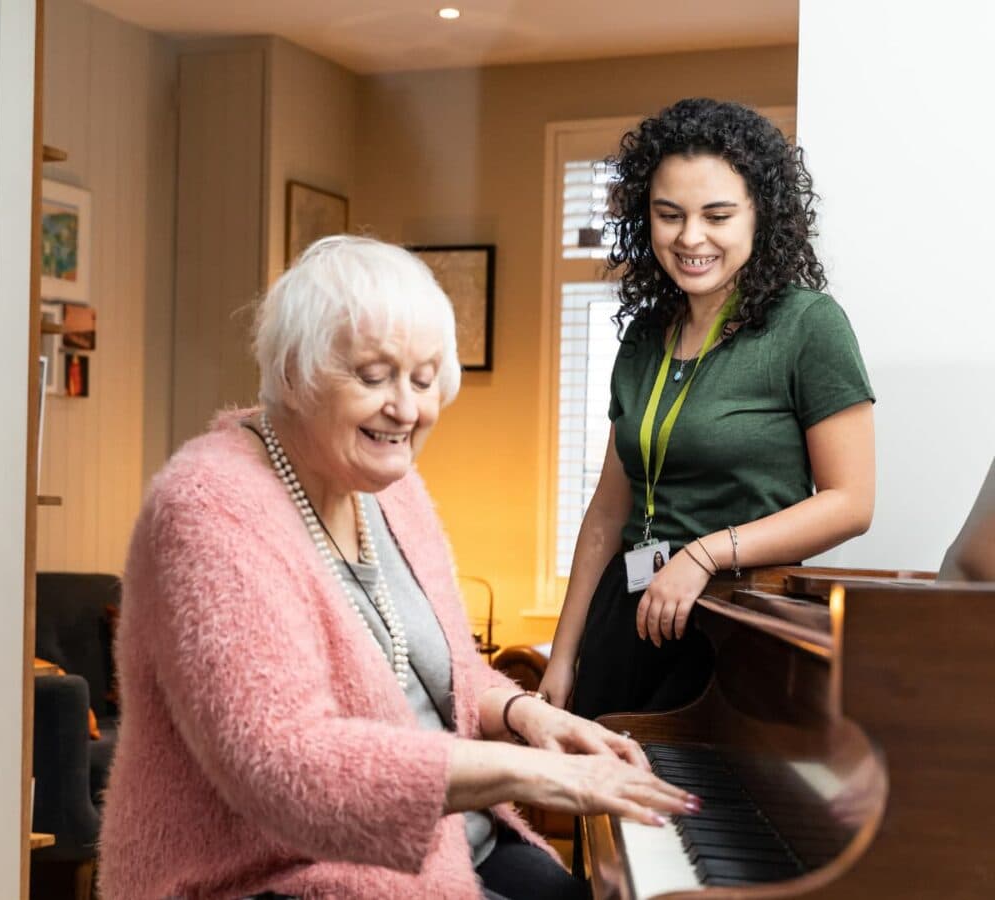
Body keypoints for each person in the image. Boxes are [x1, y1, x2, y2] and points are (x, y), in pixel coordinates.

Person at [98, 236, 698, 900]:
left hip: (449, 844)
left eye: (423, 378)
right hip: (278, 873)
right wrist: (532, 774)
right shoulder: (209, 508)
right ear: (295, 373)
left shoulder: (386, 487)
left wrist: (526, 714)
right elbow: (283, 764)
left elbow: (441, 668)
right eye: (373, 375)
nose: (407, 410)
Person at [539, 98, 876, 721]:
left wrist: (705, 553)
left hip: (736, 619)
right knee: (601, 811)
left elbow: (851, 503)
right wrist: (563, 656)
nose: (690, 237)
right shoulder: (646, 333)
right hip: (629, 610)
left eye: (717, 215)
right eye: (670, 215)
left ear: (760, 215)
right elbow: (608, 510)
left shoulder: (808, 325)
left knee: (701, 813)